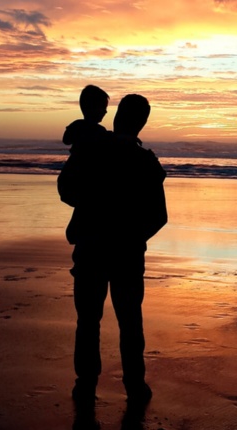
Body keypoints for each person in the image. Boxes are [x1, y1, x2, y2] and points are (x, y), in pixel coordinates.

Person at [57, 94, 167, 408]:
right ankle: (134, 385)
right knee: (130, 322)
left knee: (89, 321)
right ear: (141, 122)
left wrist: (92, 206)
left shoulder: (92, 149)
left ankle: (86, 385)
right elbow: (158, 217)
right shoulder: (143, 161)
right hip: (126, 255)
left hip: (92, 248)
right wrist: (131, 236)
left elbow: (66, 190)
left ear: (118, 116)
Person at [62, 84, 110, 154]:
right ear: (92, 108)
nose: (105, 111)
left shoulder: (77, 125)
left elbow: (66, 140)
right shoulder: (99, 130)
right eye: (103, 108)